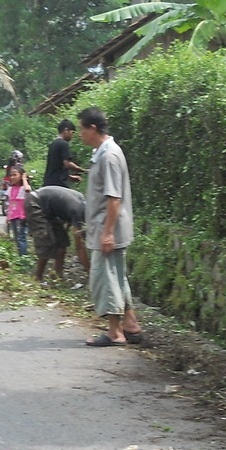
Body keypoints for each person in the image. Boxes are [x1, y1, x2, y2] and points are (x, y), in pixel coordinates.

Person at [77, 107, 142, 347]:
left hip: (108, 229)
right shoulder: (103, 153)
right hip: (106, 228)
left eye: (82, 129)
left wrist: (107, 233)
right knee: (117, 277)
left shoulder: (109, 156)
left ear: (92, 128)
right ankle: (131, 325)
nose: (80, 134)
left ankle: (115, 332)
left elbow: (114, 199)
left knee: (107, 280)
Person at [25, 185, 88, 281]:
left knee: (62, 242)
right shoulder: (78, 211)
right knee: (45, 241)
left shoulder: (82, 203)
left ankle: (58, 274)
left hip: (50, 209)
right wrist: (90, 271)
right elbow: (79, 247)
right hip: (34, 203)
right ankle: (38, 277)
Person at [43, 119, 86, 188]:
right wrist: (84, 170)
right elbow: (67, 164)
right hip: (58, 185)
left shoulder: (53, 144)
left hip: (48, 183)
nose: (72, 135)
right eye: (72, 132)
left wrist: (70, 177)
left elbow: (56, 168)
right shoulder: (63, 144)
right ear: (66, 130)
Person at [6, 165, 31, 256]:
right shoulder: (10, 189)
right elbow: (10, 203)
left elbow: (28, 189)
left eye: (15, 175)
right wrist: (8, 217)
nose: (12, 177)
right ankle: (21, 256)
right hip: (13, 216)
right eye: (11, 175)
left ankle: (23, 257)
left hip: (22, 217)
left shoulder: (23, 188)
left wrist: (24, 179)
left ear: (21, 176)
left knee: (21, 237)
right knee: (16, 238)